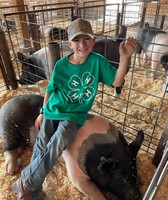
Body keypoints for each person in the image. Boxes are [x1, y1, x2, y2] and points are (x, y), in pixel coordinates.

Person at [12, 18, 137, 200]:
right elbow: (50, 90)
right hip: (53, 109)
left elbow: (117, 81)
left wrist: (125, 58)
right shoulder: (61, 65)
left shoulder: (97, 62)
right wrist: (42, 112)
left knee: (58, 142)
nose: (82, 44)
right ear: (69, 44)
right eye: (77, 40)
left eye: (86, 39)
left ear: (93, 40)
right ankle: (35, 192)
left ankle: (25, 184)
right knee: (41, 145)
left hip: (74, 115)